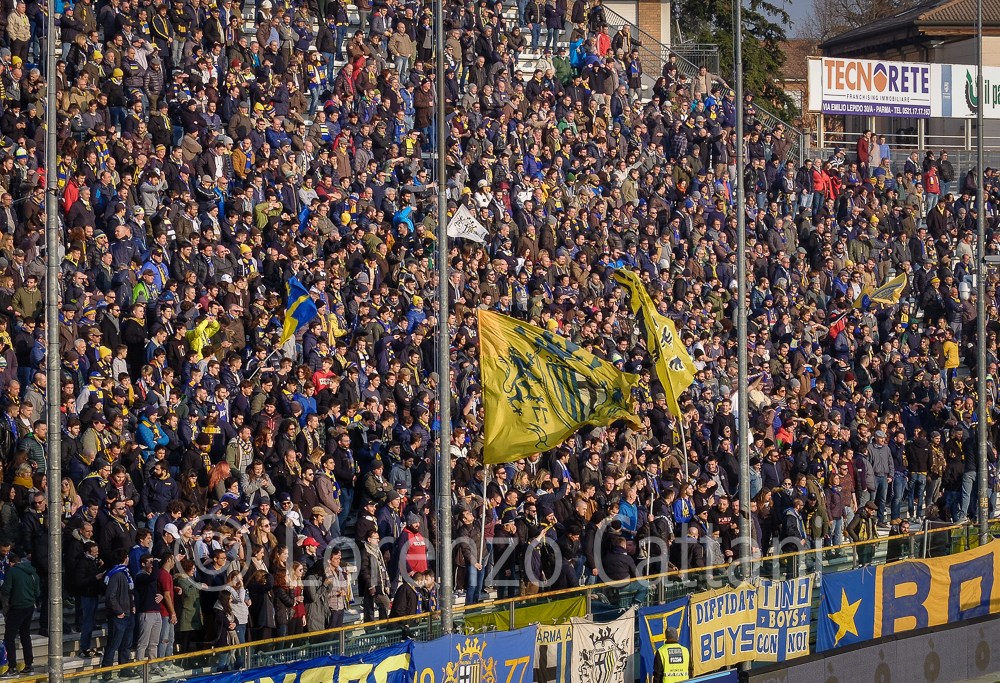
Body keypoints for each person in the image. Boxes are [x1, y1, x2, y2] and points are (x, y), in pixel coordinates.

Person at [1, 553, 40, 676]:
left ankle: (12, 667)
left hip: (17, 607)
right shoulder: (32, 572)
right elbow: (37, 592)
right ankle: (29, 664)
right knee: (25, 635)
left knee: (9, 637)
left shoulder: (12, 572)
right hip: (29, 606)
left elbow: (5, 590)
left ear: (11, 563)